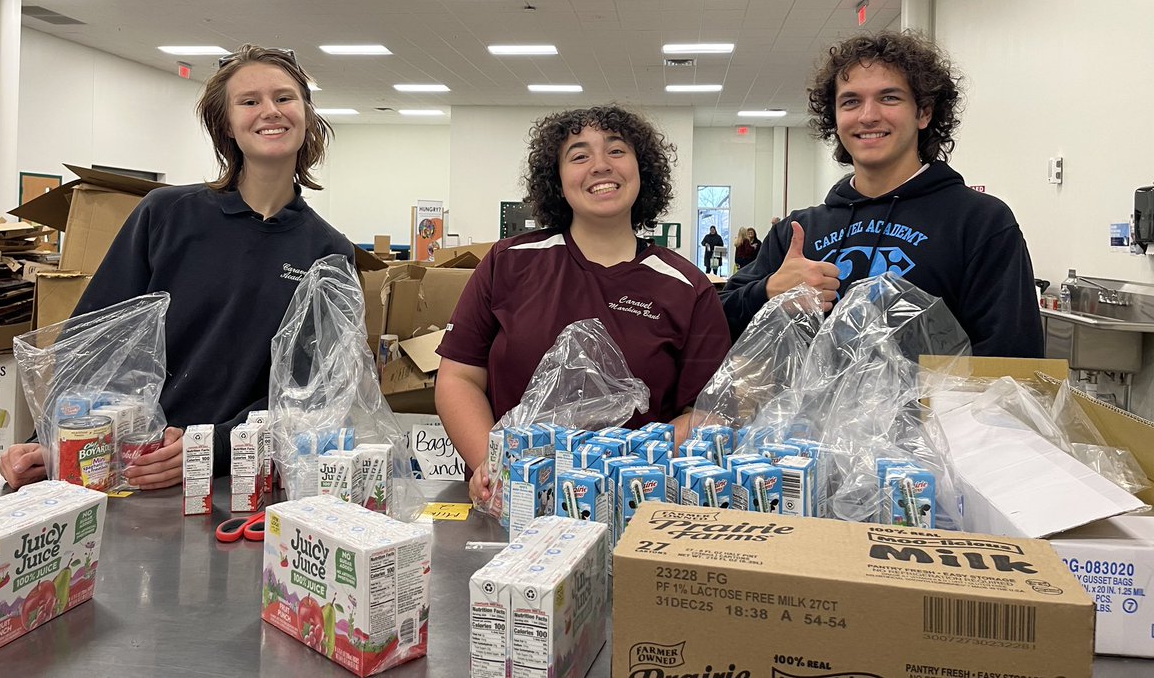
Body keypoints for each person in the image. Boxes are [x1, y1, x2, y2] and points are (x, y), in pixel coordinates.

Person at [0, 45, 354, 490]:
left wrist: (213, 447)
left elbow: (315, 392)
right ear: (226, 123)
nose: (270, 111)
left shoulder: (329, 253)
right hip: (131, 464)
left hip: (241, 478)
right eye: (249, 101)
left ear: (306, 112)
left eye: (284, 98)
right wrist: (50, 440)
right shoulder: (166, 215)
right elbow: (93, 345)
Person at [435, 106, 731, 502]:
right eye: (579, 155)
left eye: (617, 151)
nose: (600, 166)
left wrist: (625, 465)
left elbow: (706, 414)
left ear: (642, 169)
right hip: (516, 498)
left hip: (634, 503)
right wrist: (490, 464)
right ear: (557, 180)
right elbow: (458, 379)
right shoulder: (509, 263)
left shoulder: (687, 287)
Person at [721, 30, 1043, 357]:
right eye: (851, 101)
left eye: (889, 97)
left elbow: (1012, 364)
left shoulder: (978, 223)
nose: (868, 115)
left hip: (935, 409)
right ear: (834, 118)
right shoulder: (799, 234)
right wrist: (769, 291)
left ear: (924, 113)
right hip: (801, 410)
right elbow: (713, 327)